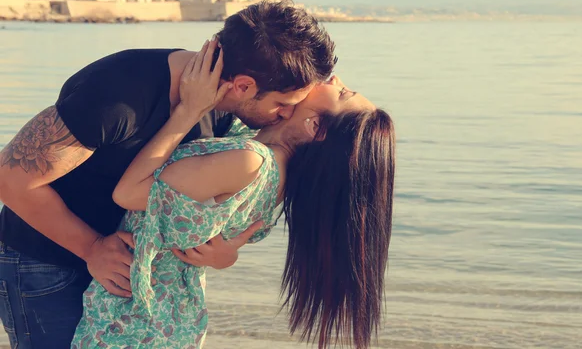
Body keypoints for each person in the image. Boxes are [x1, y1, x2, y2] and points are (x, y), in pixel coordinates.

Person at [0, 1, 337, 349]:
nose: (284, 115)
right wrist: (91, 248)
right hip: (44, 263)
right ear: (243, 86)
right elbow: (10, 178)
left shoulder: (226, 114)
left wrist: (224, 255)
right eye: (283, 104)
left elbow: (189, 203)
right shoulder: (121, 93)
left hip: (115, 277)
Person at [71, 36, 395, 349]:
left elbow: (128, 193)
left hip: (133, 322)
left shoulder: (249, 161)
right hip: (165, 319)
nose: (335, 78)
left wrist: (188, 111)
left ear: (316, 128)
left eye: (343, 92)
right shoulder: (274, 167)